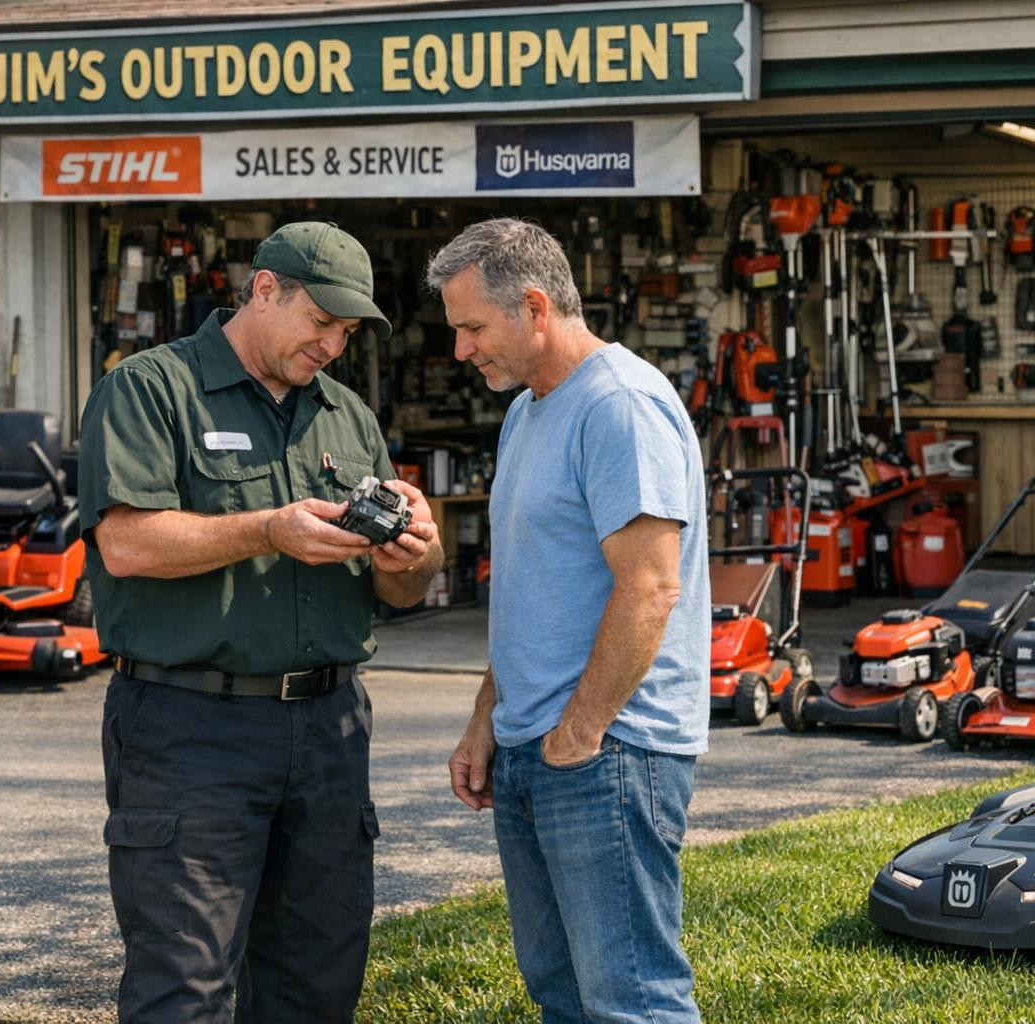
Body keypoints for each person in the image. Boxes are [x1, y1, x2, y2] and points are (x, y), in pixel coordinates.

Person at [78, 221, 444, 1023]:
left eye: (347, 332)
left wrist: (414, 554)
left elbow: (406, 594)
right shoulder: (149, 389)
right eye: (322, 322)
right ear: (265, 289)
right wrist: (266, 528)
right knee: (185, 985)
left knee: (317, 981)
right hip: (190, 729)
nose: (333, 346)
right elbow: (127, 544)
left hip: (330, 730)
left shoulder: (347, 417)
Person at [432, 218, 709, 1024]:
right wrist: (488, 719)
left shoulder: (618, 405)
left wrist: (580, 733)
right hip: (538, 747)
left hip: (607, 751)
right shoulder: (529, 412)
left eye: (473, 328)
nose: (463, 350)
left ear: (534, 306)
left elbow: (652, 588)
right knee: (562, 998)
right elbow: (534, 588)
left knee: (633, 1001)